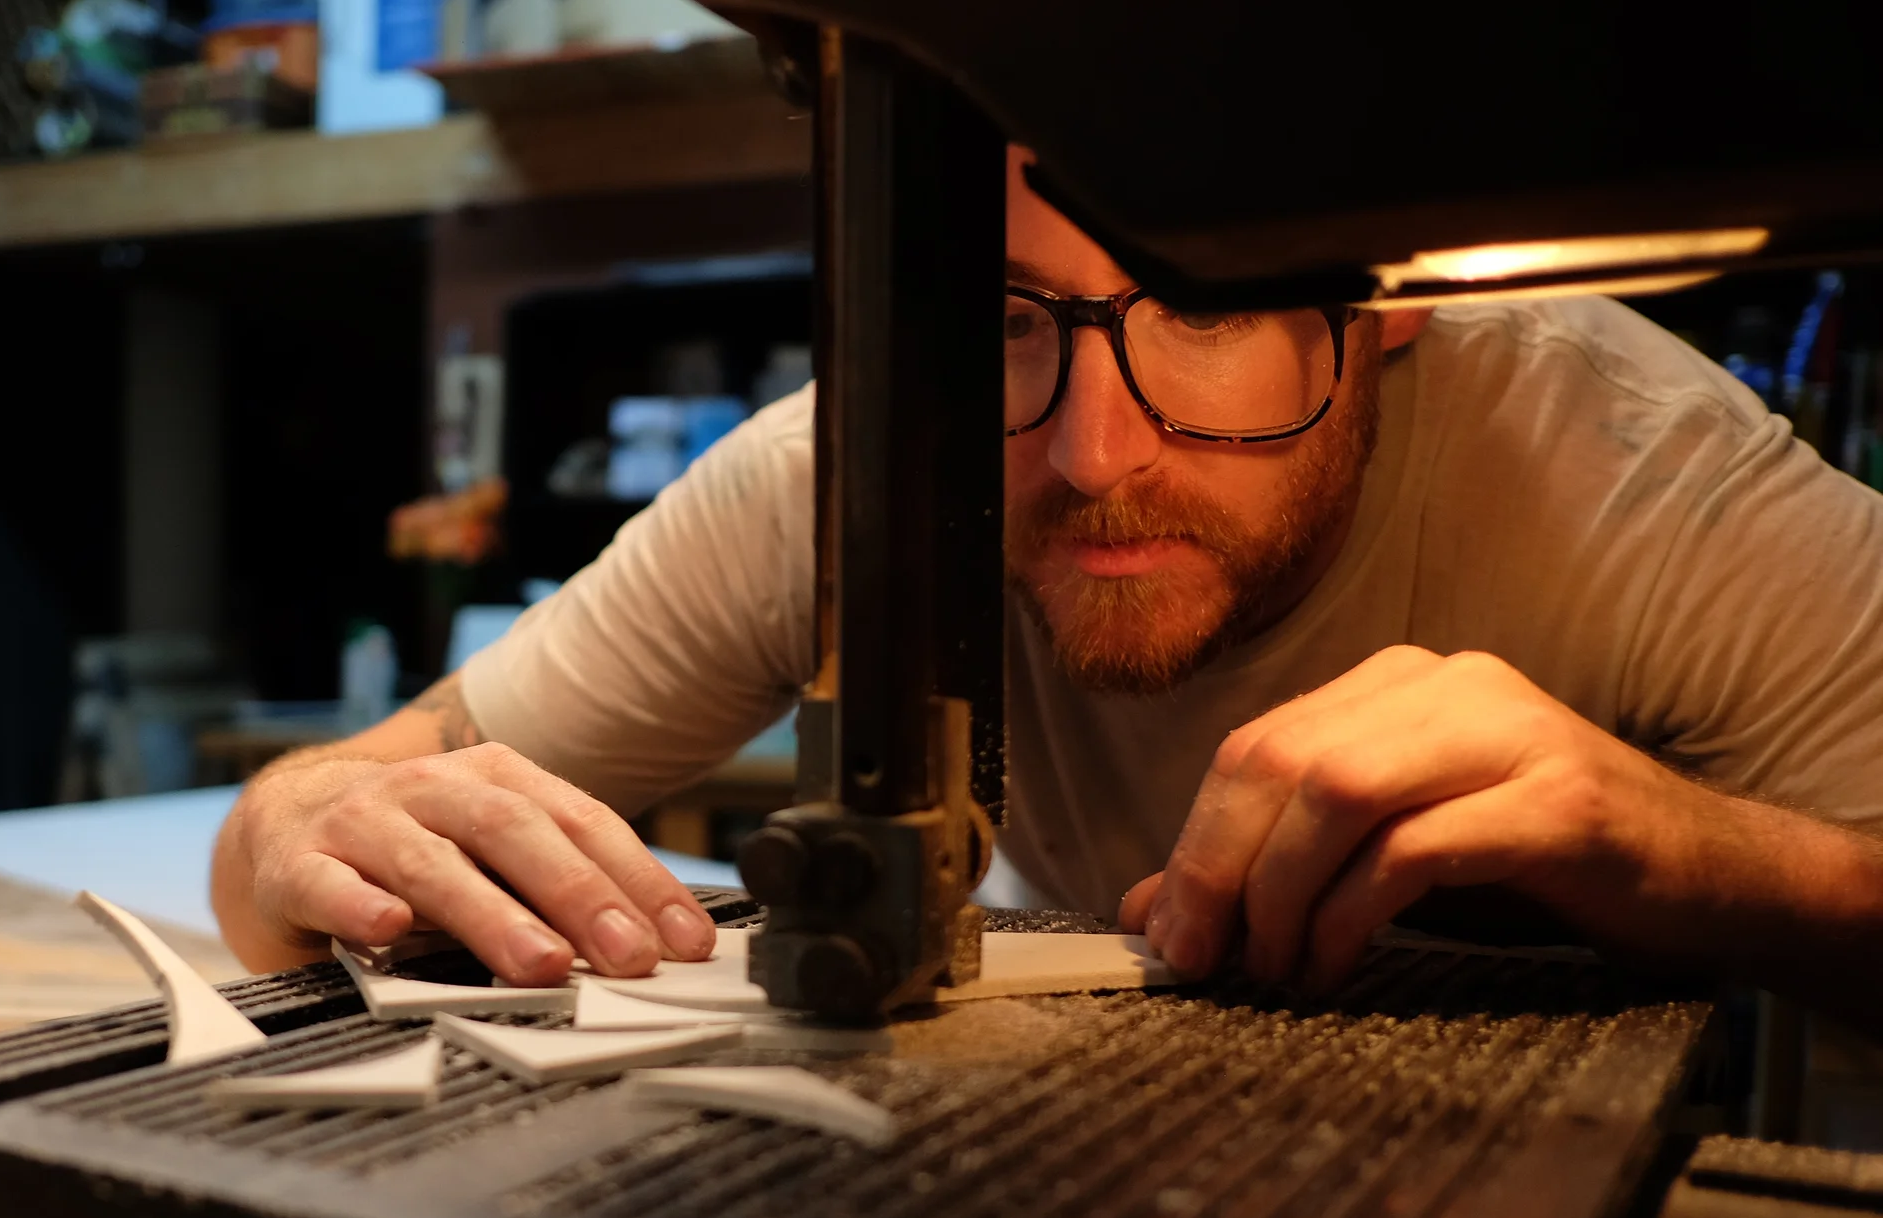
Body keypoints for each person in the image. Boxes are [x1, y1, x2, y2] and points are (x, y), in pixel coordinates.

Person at [215, 149, 1883, 1017]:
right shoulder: (851, 468)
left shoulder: (1639, 472)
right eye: (1013, 319)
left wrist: (1677, 843)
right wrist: (301, 821)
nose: (1096, 449)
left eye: (1205, 307)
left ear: (1390, 308)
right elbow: (343, 806)